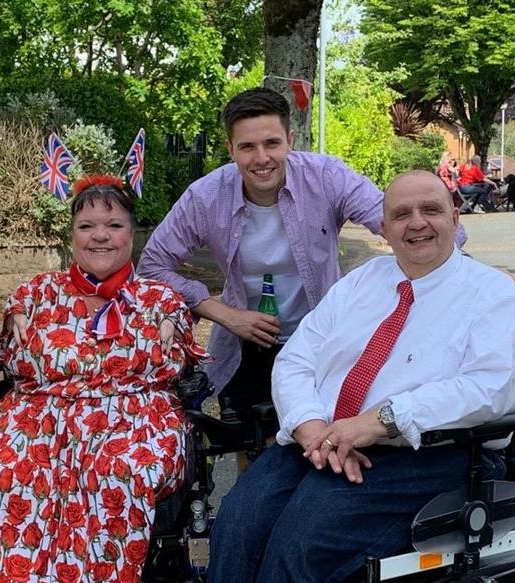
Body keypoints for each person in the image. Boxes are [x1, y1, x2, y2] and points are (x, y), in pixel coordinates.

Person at [139, 170, 515, 583]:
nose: (416, 224)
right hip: (325, 437)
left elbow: (491, 388)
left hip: (427, 453)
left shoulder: (491, 295)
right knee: (241, 518)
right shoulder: (363, 282)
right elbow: (298, 357)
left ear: (456, 216)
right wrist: (308, 427)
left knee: (303, 539)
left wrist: (380, 421)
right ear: (383, 227)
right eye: (401, 214)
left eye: (431, 209)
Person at [0, 176, 206, 583]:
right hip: (41, 417)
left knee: (118, 473)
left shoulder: (159, 299)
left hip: (135, 415)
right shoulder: (35, 294)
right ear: (71, 234)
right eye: (87, 225)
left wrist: (164, 336)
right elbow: (15, 353)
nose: (100, 236)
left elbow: (179, 361)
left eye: (113, 224)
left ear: (132, 233)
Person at [138, 88, 468, 444]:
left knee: (327, 440)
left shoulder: (327, 176)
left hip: (326, 339)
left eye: (272, 143)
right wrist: (225, 314)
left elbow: (399, 224)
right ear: (230, 148)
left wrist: (472, 276)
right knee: (253, 444)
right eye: (247, 147)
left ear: (290, 140)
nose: (261, 158)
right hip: (247, 342)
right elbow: (152, 264)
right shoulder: (205, 196)